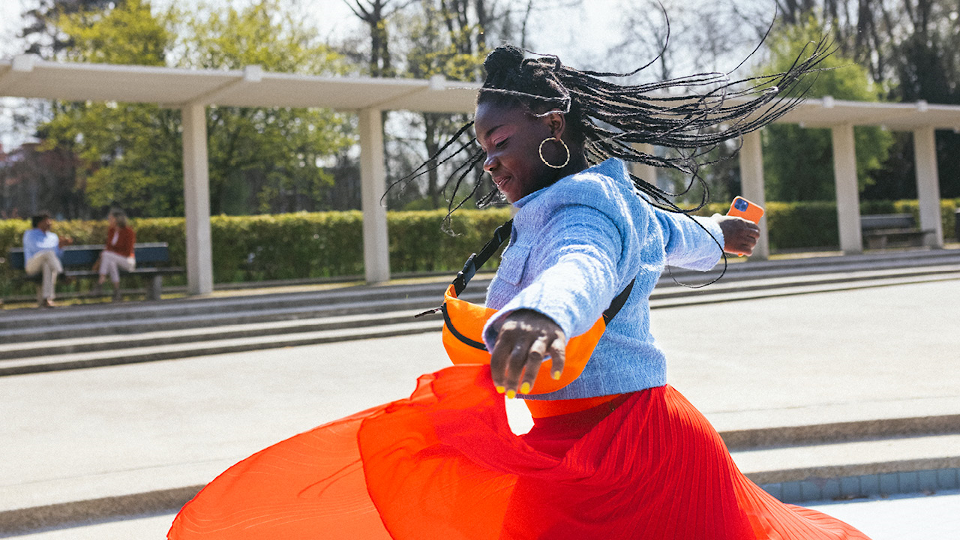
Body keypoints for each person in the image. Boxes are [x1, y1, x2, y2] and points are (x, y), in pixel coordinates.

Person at [169, 43, 870, 539]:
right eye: (482, 147)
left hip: (627, 460)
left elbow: (582, 268)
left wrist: (541, 315)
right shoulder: (615, 203)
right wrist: (725, 235)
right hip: (601, 445)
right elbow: (681, 240)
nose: (491, 160)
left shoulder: (583, 210)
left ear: (552, 127)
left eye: (499, 139)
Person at [22, 212, 72, 308]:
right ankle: (62, 274)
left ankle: (46, 299)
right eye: (47, 221)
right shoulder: (30, 234)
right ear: (39, 223)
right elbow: (37, 249)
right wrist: (55, 247)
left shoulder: (53, 236)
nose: (50, 223)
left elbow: (56, 256)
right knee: (48, 254)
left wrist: (60, 247)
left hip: (48, 264)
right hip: (32, 265)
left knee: (48, 265)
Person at [94, 209, 136, 302]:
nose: (109, 220)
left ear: (117, 219)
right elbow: (108, 247)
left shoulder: (129, 232)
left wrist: (110, 254)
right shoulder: (111, 231)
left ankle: (101, 280)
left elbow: (128, 252)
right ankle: (117, 292)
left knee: (106, 254)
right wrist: (110, 254)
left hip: (127, 261)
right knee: (111, 263)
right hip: (115, 260)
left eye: (110, 218)